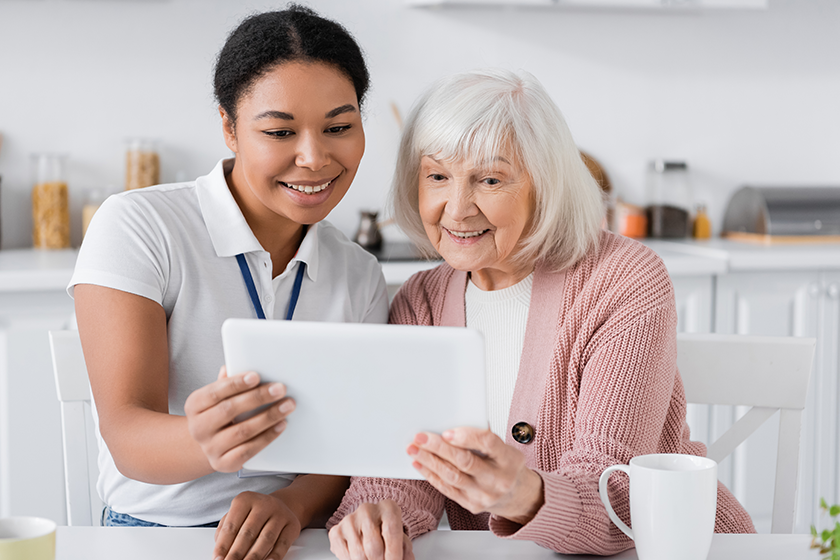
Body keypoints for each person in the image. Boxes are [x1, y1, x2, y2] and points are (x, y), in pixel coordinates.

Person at [326, 69, 755, 559]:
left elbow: (615, 488)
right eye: (438, 176)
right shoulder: (419, 302)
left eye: (490, 179)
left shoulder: (623, 280)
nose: (458, 208)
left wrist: (523, 494)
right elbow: (406, 470)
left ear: (544, 186)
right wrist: (379, 514)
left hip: (679, 549)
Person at [69, 6, 387, 560]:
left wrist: (294, 503)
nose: (313, 158)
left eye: (339, 127)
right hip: (153, 535)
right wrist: (203, 436)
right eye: (279, 131)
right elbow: (126, 436)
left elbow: (345, 450)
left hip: (299, 532)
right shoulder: (140, 226)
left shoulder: (358, 271)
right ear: (228, 127)